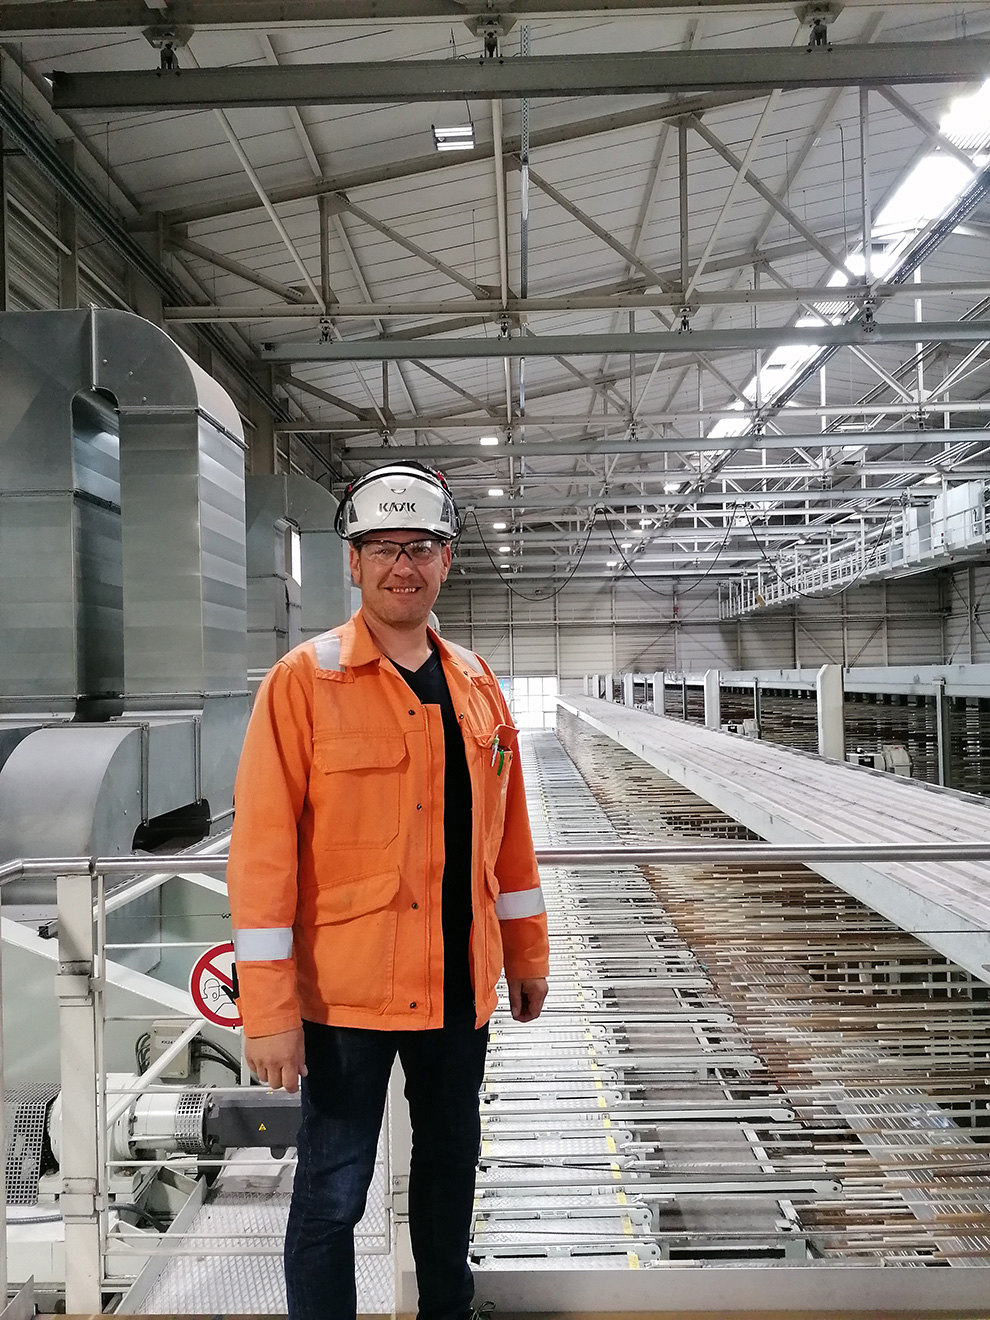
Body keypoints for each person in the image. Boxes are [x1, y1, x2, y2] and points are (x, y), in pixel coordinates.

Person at [226, 460, 550, 1320]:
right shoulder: (304, 681)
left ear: (447, 559)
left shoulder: (479, 684)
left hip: (457, 991)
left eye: (422, 547)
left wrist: (526, 955)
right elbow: (262, 855)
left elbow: (507, 839)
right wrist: (268, 1012)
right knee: (333, 1196)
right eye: (383, 548)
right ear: (353, 560)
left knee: (449, 1185)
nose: (403, 566)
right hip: (344, 1003)